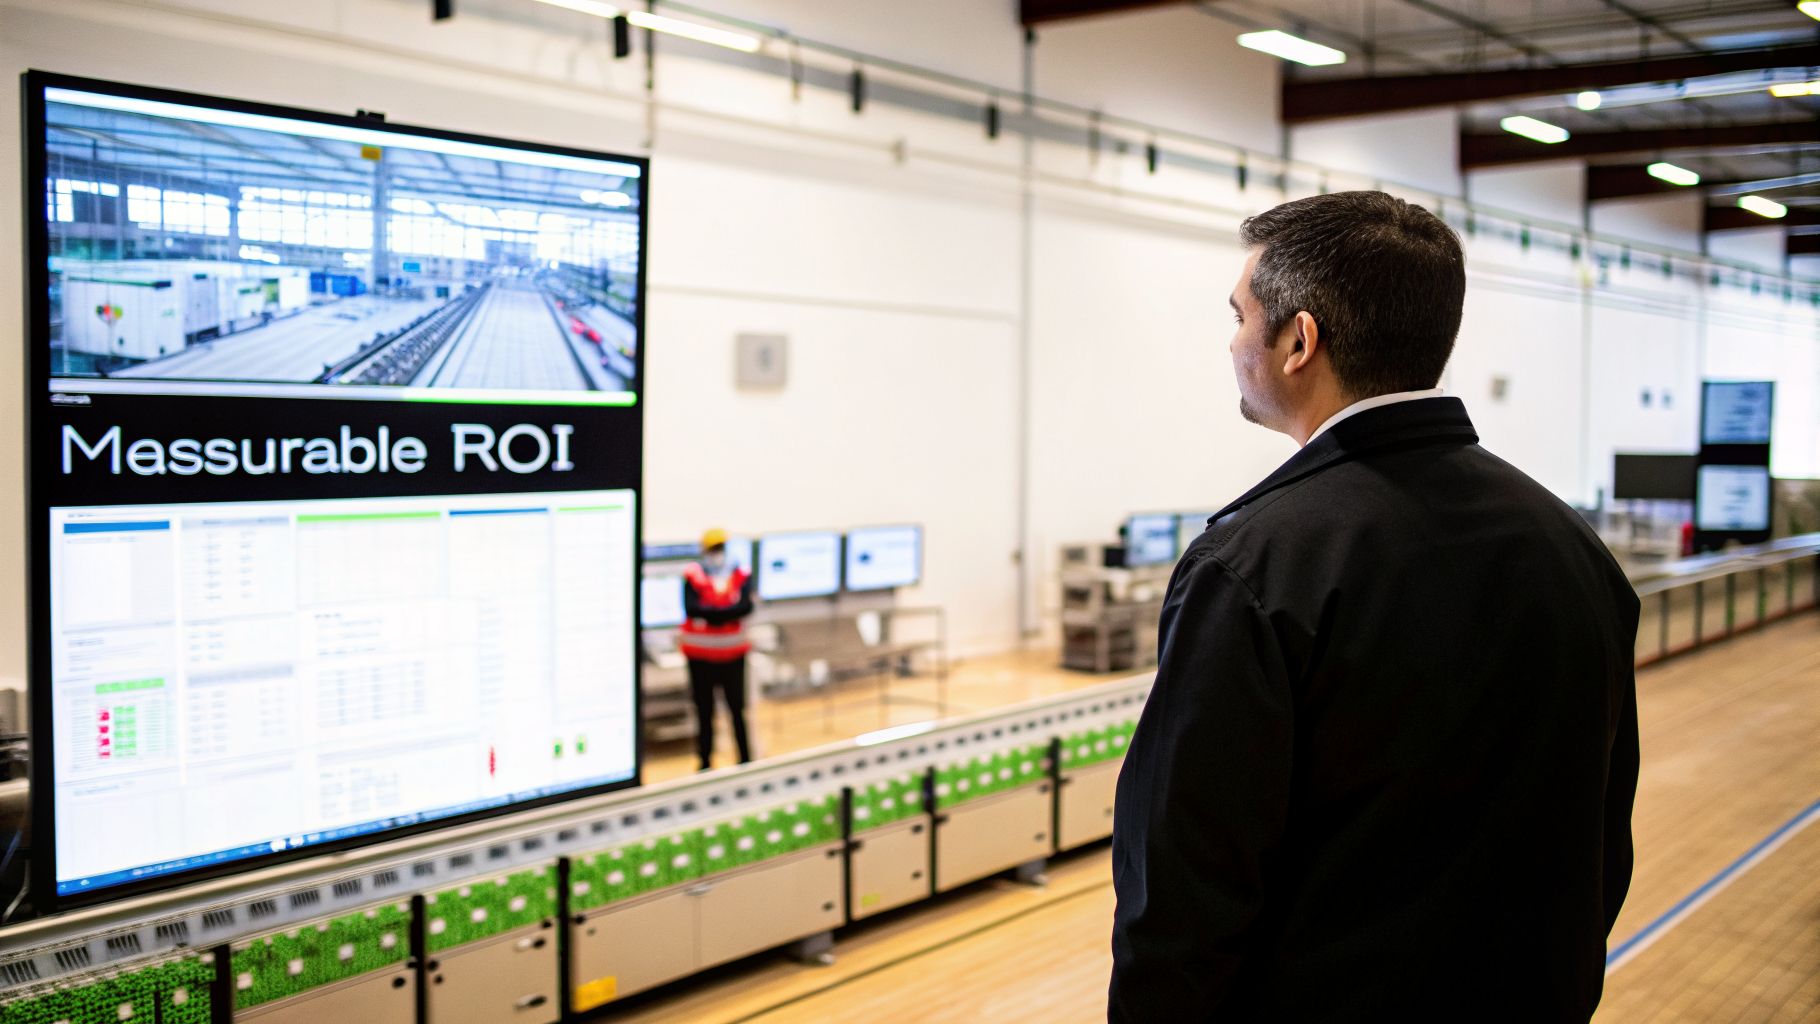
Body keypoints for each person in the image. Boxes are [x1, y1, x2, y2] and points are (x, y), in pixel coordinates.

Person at [1109, 191, 1640, 1022]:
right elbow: (1600, 838)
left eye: (1239, 316)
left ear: (1298, 341)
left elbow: (1183, 889)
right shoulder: (1571, 549)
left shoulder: (1255, 566)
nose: (1231, 342)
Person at [678, 529, 756, 771]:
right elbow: (692, 609)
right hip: (700, 656)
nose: (716, 554)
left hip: (733, 655)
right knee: (704, 711)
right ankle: (705, 763)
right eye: (712, 549)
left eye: (719, 548)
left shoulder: (740, 573)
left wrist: (712, 614)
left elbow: (745, 607)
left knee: (737, 709)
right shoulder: (693, 575)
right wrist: (724, 613)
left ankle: (745, 760)